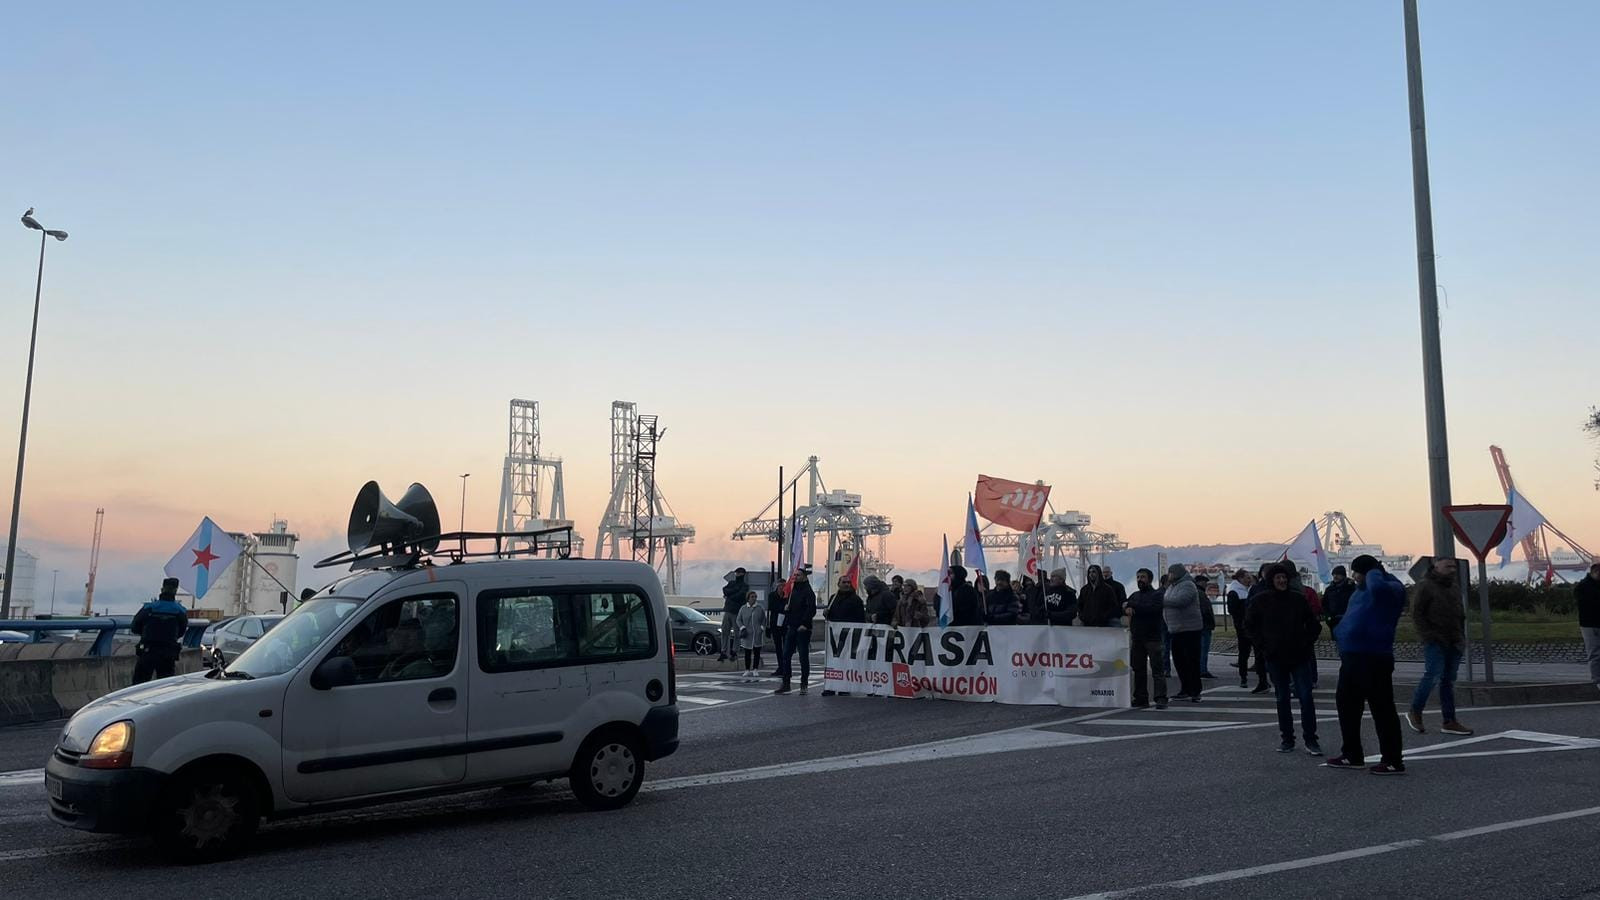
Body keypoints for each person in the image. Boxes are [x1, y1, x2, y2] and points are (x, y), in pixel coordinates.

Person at [1325, 555, 1407, 775]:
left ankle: (1392, 759)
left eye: (1356, 572)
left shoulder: (1390, 588)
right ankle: (1352, 753)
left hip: (1375, 656)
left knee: (1382, 709)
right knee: (1347, 705)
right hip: (1352, 656)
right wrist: (1340, 630)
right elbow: (1355, 616)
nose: (1353, 576)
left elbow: (1379, 592)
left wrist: (1372, 572)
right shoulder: (1360, 590)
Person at [1246, 563, 1322, 755]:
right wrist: (1263, 646)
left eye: (1284, 578)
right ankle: (1287, 739)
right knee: (1282, 698)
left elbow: (1314, 624)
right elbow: (1249, 626)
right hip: (1275, 656)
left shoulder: (1298, 600)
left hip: (1299, 655)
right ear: (1271, 580)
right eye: (1278, 578)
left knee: (1306, 697)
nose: (1281, 581)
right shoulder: (1260, 601)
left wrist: (1306, 641)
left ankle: (1311, 739)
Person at [1407, 557, 1472, 736]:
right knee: (1433, 675)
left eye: (1454, 566)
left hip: (1454, 640)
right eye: (1448, 566)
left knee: (1448, 681)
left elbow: (1459, 614)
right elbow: (1417, 613)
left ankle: (1449, 720)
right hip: (1435, 640)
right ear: (1436, 566)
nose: (1452, 569)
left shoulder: (1454, 587)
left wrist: (1461, 638)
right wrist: (1429, 636)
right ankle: (1415, 711)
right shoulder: (1426, 586)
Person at [1124, 568, 1168, 709]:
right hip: (1137, 638)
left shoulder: (1156, 595)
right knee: (1138, 669)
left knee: (1157, 670)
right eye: (1138, 577)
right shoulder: (1134, 595)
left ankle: (1161, 698)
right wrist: (1126, 609)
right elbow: (1125, 605)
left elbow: (1152, 609)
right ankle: (1140, 697)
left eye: (1142, 577)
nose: (1139, 580)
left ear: (1149, 579)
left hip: (1153, 637)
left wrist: (1132, 605)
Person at [131, 578, 189, 684]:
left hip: (148, 650)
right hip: (168, 651)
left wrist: (144, 634)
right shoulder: (180, 611)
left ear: (162, 589)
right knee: (165, 686)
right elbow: (182, 631)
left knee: (139, 684)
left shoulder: (149, 608)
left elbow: (134, 626)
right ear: (175, 591)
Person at [1163, 564, 1204, 702]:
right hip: (1176, 630)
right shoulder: (1171, 587)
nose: (1169, 575)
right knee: (1179, 661)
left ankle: (1195, 690)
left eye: (1171, 573)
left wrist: (1161, 601)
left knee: (1191, 661)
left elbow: (1181, 601)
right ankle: (1185, 688)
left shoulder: (1188, 585)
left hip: (1189, 630)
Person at [775, 568, 818, 695]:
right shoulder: (794, 590)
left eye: (798, 575)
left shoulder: (808, 592)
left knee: (803, 657)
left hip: (802, 629)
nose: (795, 577)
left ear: (804, 576)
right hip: (792, 626)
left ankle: (804, 683)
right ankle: (786, 683)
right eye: (794, 575)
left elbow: (811, 609)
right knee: (786, 655)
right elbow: (793, 607)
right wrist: (787, 609)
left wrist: (805, 623)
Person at [1227, 569, 1264, 690]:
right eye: (1247, 578)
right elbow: (1233, 611)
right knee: (1244, 653)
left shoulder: (1247, 590)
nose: (1250, 580)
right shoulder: (1234, 591)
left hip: (1252, 626)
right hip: (1243, 627)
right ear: (1241, 578)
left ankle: (1260, 678)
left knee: (1256, 652)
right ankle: (1243, 677)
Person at [1579, 563, 1600, 691]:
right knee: (1595, 653)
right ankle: (1597, 680)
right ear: (1595, 572)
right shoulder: (1583, 587)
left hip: (1593, 623)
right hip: (1589, 624)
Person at [719, 567, 748, 662]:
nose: (737, 574)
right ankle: (723, 651)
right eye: (737, 573)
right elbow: (725, 590)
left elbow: (741, 596)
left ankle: (734, 651)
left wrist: (730, 596)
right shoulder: (732, 583)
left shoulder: (744, 586)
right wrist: (734, 592)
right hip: (728, 610)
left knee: (737, 633)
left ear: (743, 574)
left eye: (739, 573)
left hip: (737, 612)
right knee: (724, 631)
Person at [736, 590, 766, 678]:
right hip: (747, 634)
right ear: (748, 598)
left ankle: (755, 669)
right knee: (747, 653)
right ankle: (747, 670)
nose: (754, 598)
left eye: (755, 597)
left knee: (757, 652)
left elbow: (764, 619)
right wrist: (742, 627)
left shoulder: (760, 608)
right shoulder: (743, 608)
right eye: (752, 597)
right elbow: (738, 619)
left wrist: (761, 628)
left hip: (757, 634)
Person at [1322, 565, 1356, 631]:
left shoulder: (1351, 588)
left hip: (1348, 619)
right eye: (1333, 574)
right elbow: (1325, 603)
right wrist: (1328, 617)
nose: (1335, 576)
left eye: (1338, 574)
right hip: (1333, 620)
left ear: (1343, 576)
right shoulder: (1329, 589)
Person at [1196, 575, 1217, 678]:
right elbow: (1205, 611)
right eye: (1204, 583)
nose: (1206, 585)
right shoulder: (1201, 594)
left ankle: (1200, 669)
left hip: (1200, 625)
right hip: (1204, 625)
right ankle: (1202, 670)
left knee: (1200, 649)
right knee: (1203, 649)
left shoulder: (1197, 593)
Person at [765, 583, 788, 677]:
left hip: (785, 623)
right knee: (778, 647)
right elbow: (772, 608)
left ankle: (785, 667)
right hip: (775, 624)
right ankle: (780, 667)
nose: (782, 588)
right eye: (780, 586)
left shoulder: (787, 596)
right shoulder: (772, 596)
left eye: (783, 586)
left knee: (786, 647)